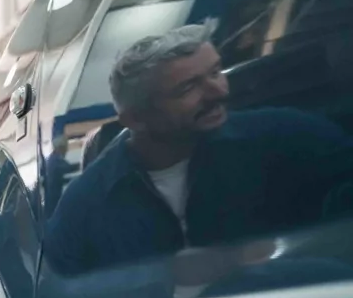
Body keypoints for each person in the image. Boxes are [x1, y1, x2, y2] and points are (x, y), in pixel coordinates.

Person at [44, 22, 353, 278]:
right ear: (136, 118)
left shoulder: (286, 136)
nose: (218, 91)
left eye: (216, 72)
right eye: (188, 88)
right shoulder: (89, 204)